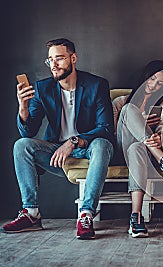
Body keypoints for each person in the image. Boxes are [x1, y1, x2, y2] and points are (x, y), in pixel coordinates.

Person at [2, 38, 114, 239]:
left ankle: (86, 214)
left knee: (102, 144)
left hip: (89, 148)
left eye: (59, 59)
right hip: (56, 154)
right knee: (22, 146)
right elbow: (27, 132)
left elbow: (105, 128)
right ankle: (31, 213)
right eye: (50, 60)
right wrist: (23, 107)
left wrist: (72, 142)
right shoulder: (42, 89)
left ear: (73, 58)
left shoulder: (96, 85)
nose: (53, 65)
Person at [113, 60, 163, 237]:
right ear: (145, 77)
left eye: (159, 83)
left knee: (138, 147)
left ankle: (136, 218)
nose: (153, 85)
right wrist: (140, 123)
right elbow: (113, 131)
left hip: (143, 154)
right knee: (130, 109)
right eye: (152, 79)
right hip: (122, 148)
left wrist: (157, 136)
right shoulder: (121, 101)